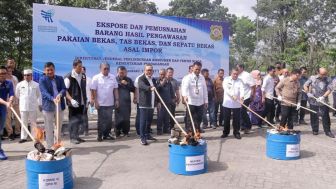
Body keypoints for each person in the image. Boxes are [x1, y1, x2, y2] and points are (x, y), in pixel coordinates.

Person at [39, 62, 66, 148]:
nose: (50, 72)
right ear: (45, 71)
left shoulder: (60, 78)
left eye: (51, 70)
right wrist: (52, 99)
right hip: (48, 107)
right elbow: (44, 92)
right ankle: (50, 147)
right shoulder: (42, 79)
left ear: (54, 70)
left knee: (58, 127)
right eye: (48, 70)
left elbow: (64, 89)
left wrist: (60, 94)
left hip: (59, 106)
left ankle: (57, 144)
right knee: (49, 128)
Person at [90, 62, 119, 142]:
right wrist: (95, 101)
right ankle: (99, 135)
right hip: (101, 103)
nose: (106, 70)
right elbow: (93, 90)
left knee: (109, 120)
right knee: (101, 120)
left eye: (108, 68)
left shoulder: (112, 77)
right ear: (100, 69)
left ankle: (106, 135)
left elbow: (115, 89)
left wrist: (117, 100)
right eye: (104, 68)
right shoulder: (96, 78)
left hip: (110, 103)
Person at [304, 67, 335, 138]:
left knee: (325, 116)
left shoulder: (328, 79)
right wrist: (308, 93)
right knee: (314, 115)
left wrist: (323, 97)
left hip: (324, 101)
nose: (324, 75)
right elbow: (305, 85)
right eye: (322, 74)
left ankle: (328, 131)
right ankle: (315, 130)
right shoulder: (312, 78)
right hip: (313, 100)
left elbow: (330, 89)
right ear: (318, 72)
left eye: (325, 74)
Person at [64, 59, 87, 144]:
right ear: (74, 66)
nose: (81, 68)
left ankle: (77, 136)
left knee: (79, 120)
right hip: (73, 103)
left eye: (81, 66)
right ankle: (72, 138)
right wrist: (71, 99)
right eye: (79, 66)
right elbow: (64, 90)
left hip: (81, 103)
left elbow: (83, 89)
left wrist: (85, 100)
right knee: (73, 121)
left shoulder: (83, 75)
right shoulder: (69, 77)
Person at [181, 61, 208, 133]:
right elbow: (185, 88)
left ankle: (197, 134)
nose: (197, 71)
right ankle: (190, 135)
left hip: (200, 103)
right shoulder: (188, 77)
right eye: (196, 69)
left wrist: (206, 101)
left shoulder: (202, 77)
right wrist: (185, 96)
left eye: (199, 69)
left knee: (199, 119)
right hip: (191, 102)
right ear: (192, 68)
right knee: (190, 120)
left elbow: (205, 89)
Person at [15, 69, 41, 143]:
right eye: (25, 75)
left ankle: (34, 137)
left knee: (33, 122)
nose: (26, 76)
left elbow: (39, 95)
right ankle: (23, 137)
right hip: (23, 106)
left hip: (33, 106)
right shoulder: (19, 84)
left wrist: (39, 104)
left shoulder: (36, 85)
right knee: (23, 122)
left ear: (31, 76)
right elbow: (17, 95)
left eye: (28, 75)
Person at [221, 68, 244, 139]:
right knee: (226, 119)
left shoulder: (240, 81)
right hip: (227, 102)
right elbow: (226, 88)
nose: (235, 75)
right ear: (231, 73)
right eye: (234, 74)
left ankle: (236, 132)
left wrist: (242, 97)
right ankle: (225, 132)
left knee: (236, 119)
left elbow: (242, 89)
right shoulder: (226, 79)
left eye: (237, 74)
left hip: (237, 103)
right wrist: (232, 95)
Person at [137, 64, 157, 145]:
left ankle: (147, 135)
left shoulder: (153, 79)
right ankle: (142, 137)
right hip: (144, 104)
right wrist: (149, 88)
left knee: (149, 121)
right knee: (143, 121)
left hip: (151, 103)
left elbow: (156, 89)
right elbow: (142, 86)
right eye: (147, 70)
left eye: (150, 70)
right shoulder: (141, 78)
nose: (149, 71)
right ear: (144, 70)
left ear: (152, 71)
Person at [115, 66, 135, 137]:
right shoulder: (115, 79)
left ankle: (126, 132)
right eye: (121, 72)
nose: (122, 74)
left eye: (124, 72)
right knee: (118, 118)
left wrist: (127, 84)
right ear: (117, 72)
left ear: (126, 73)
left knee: (126, 118)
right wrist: (120, 83)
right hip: (118, 102)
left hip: (127, 102)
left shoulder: (129, 80)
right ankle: (117, 132)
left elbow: (133, 89)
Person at [0, 66, 14, 160]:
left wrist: (11, 100)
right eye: (0, 73)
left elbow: (12, 94)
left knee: (0, 129)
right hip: (3, 104)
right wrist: (6, 103)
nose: (2, 75)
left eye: (4, 73)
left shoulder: (9, 83)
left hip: (3, 109)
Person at [237, 64, 256, 134]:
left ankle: (248, 126)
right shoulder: (237, 75)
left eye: (238, 68)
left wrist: (252, 95)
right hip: (240, 97)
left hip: (247, 96)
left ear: (241, 68)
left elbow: (253, 86)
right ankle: (242, 126)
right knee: (240, 111)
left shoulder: (247, 75)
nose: (237, 69)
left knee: (242, 111)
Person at [156, 69, 175, 135]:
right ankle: (159, 130)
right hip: (160, 103)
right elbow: (156, 90)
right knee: (160, 117)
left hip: (168, 102)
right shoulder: (157, 81)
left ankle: (166, 129)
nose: (162, 75)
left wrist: (173, 98)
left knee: (167, 117)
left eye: (163, 74)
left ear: (165, 74)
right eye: (161, 74)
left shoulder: (168, 82)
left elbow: (171, 91)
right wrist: (162, 83)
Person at [5, 66, 20, 140]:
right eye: (8, 71)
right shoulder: (3, 79)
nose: (9, 73)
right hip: (7, 101)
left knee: (18, 116)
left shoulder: (15, 78)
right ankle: (10, 133)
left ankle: (17, 132)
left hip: (16, 100)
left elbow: (17, 89)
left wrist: (18, 98)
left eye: (10, 71)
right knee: (8, 118)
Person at [80, 66, 90, 136]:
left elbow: (91, 90)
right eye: (80, 70)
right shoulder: (77, 79)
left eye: (83, 70)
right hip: (78, 100)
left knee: (84, 115)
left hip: (86, 100)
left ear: (85, 71)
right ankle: (81, 129)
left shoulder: (89, 79)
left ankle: (86, 130)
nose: (81, 71)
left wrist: (90, 99)